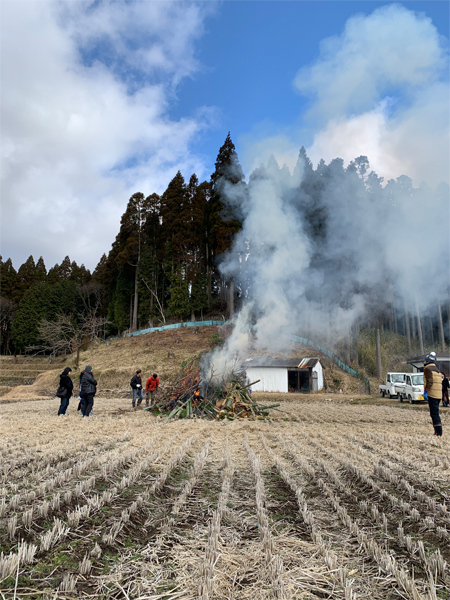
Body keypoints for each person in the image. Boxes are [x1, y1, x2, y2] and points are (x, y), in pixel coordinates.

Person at [423, 352, 443, 437]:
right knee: (435, 413)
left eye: (425, 360)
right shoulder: (437, 370)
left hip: (432, 394)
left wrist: (426, 391)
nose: (424, 362)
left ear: (427, 361)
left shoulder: (427, 369)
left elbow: (430, 381)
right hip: (438, 394)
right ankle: (436, 432)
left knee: (434, 414)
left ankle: (439, 432)